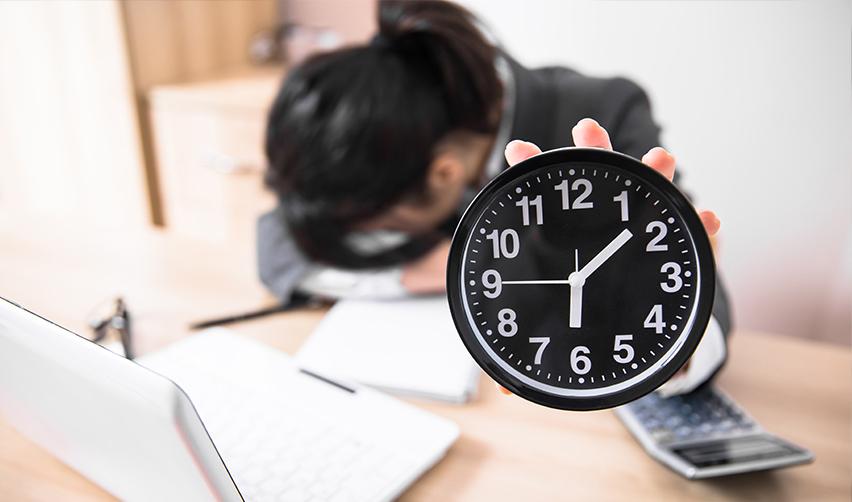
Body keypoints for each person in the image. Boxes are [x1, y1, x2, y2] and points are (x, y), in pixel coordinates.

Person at [258, 0, 731, 394]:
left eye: (386, 224)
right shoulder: (381, 143)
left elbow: (700, 302)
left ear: (444, 175)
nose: (383, 235)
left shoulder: (604, 112)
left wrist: (671, 341)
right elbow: (277, 239)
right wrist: (426, 270)